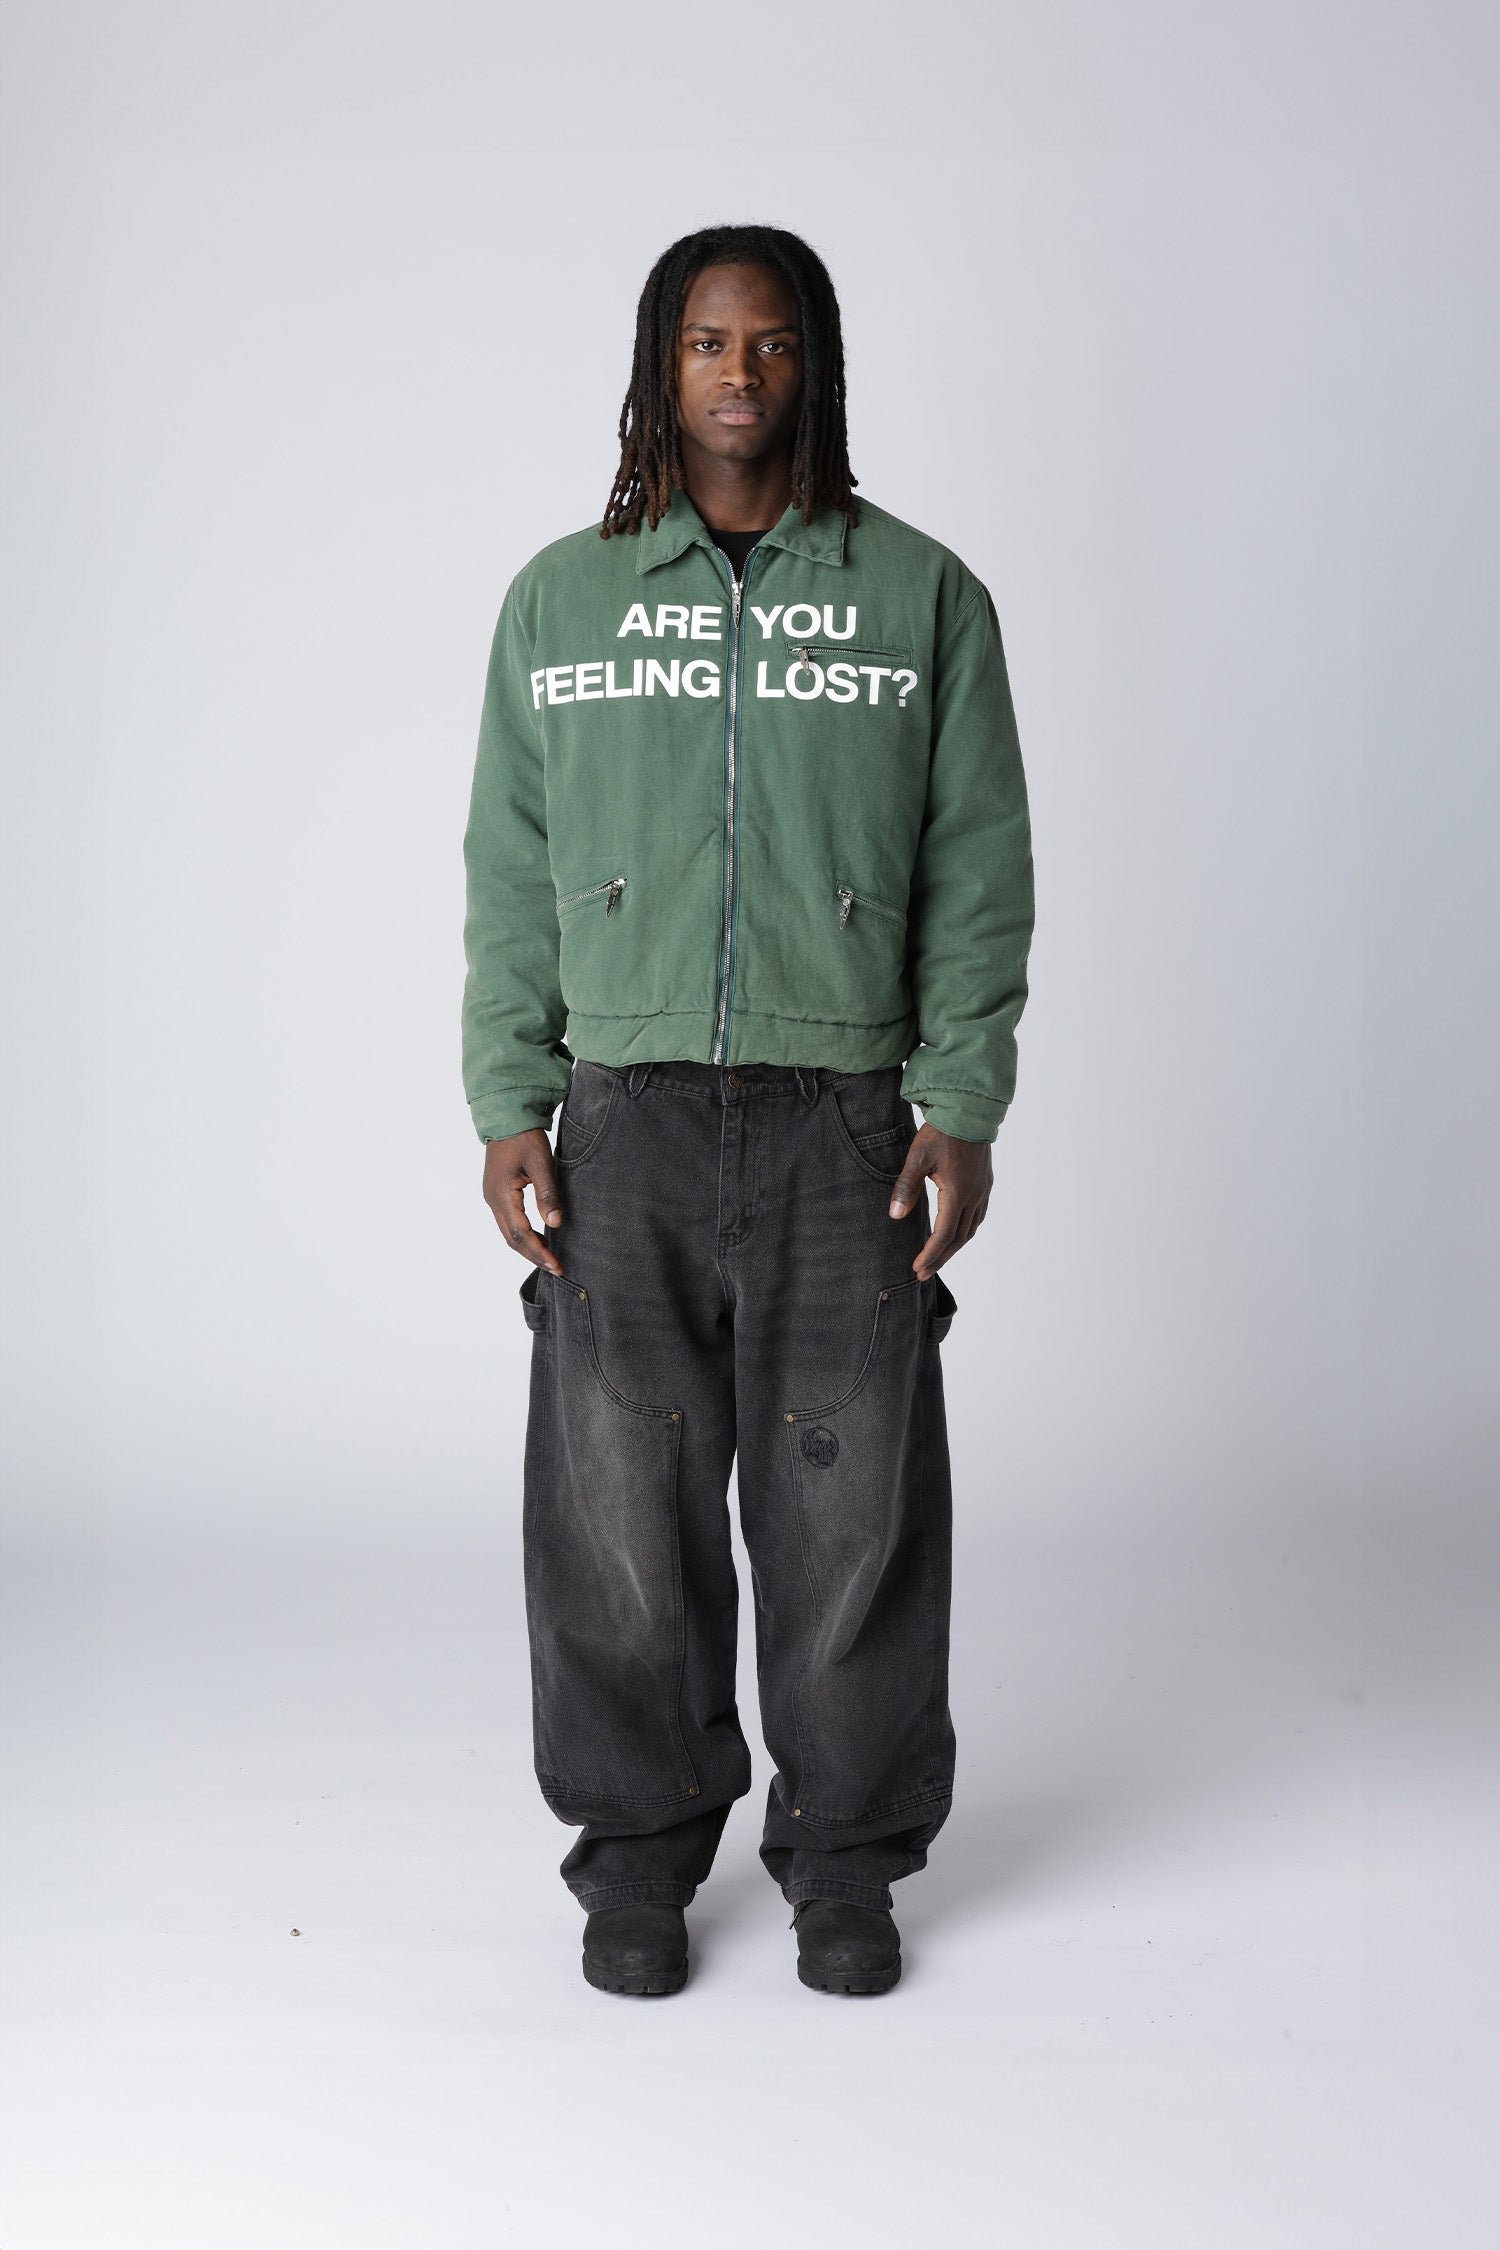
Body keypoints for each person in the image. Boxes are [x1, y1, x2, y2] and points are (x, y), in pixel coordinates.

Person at [462, 224, 1033, 1997]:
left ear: (815, 365)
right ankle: (638, 1858)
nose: (738, 372)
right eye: (707, 341)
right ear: (663, 364)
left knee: (850, 1510)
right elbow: (509, 865)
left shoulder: (919, 596)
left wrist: (960, 1094)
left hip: (844, 1114)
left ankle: (847, 1861)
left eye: (771, 342)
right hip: (621, 1110)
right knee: (617, 1508)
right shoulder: (562, 599)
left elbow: (978, 863)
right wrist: (510, 1094)